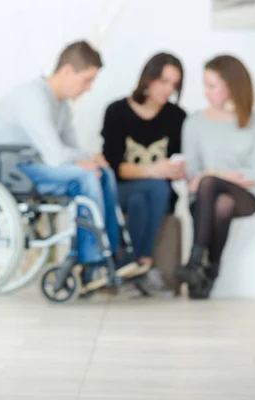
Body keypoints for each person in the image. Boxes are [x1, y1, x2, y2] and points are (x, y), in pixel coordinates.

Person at [0, 40, 141, 274]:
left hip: (31, 166)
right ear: (67, 71)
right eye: (87, 79)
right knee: (85, 177)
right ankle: (92, 263)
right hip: (10, 170)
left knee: (103, 173)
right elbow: (56, 155)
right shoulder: (33, 97)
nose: (89, 88)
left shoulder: (61, 105)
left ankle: (113, 255)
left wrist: (92, 159)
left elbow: (71, 148)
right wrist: (88, 159)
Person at [176, 55, 255, 299]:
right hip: (205, 198)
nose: (206, 92)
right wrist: (209, 176)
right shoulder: (195, 122)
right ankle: (211, 270)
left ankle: (195, 261)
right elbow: (192, 173)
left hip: (248, 196)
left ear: (231, 86)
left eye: (212, 86)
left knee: (212, 184)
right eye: (205, 85)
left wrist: (213, 173)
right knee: (220, 202)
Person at [101, 52, 187, 291]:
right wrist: (152, 170)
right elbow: (114, 167)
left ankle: (131, 267)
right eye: (163, 81)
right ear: (148, 79)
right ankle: (145, 264)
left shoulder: (177, 117)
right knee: (153, 187)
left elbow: (177, 161)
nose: (168, 89)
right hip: (121, 189)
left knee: (145, 198)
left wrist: (176, 170)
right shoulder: (117, 112)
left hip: (156, 196)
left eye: (174, 84)